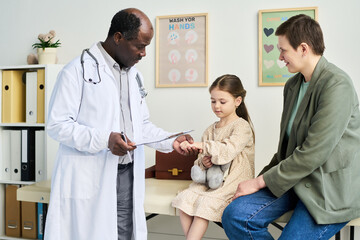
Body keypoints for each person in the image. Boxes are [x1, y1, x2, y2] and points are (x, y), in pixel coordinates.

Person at [44, 8, 196, 240]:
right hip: (90, 175)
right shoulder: (76, 71)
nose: (144, 53)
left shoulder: (134, 76)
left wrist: (171, 140)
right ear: (118, 38)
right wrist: (105, 140)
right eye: (140, 46)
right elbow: (57, 125)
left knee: (124, 235)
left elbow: (141, 125)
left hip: (126, 175)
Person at [222, 14, 360, 240]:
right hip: (295, 180)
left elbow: (314, 152)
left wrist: (259, 182)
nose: (280, 57)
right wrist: (259, 181)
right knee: (235, 215)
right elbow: (286, 148)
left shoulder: (337, 84)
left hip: (328, 189)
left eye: (283, 50)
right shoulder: (293, 85)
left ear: (303, 48)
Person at [172, 74, 255, 240]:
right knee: (185, 198)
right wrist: (203, 162)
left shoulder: (242, 127)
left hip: (233, 181)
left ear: (237, 101)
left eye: (222, 102)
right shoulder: (210, 129)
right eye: (213, 101)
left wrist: (202, 146)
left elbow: (227, 150)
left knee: (205, 203)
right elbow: (199, 160)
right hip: (210, 181)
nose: (217, 106)